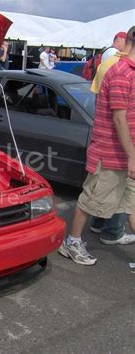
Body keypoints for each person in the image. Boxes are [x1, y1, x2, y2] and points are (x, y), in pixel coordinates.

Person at [59, 29, 135, 265]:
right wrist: (132, 156)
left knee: (132, 203)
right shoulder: (122, 72)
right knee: (91, 200)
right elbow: (119, 118)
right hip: (112, 154)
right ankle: (71, 243)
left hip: (128, 154)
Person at [88, 27, 135, 245]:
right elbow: (117, 115)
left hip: (108, 135)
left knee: (114, 192)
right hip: (112, 143)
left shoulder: (110, 64)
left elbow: (99, 99)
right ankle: (111, 231)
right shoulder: (120, 69)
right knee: (111, 191)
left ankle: (99, 224)